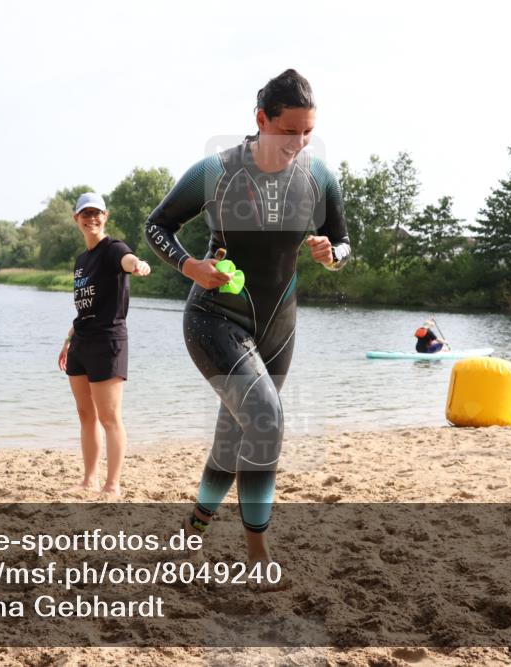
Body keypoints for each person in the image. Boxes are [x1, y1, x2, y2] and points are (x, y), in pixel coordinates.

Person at [144, 69, 350, 590]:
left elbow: (343, 243)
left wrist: (332, 255)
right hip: (214, 318)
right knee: (265, 418)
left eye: (307, 132)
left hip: (279, 327)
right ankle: (257, 555)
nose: (299, 143)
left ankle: (192, 530)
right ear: (261, 120)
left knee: (236, 433)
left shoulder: (318, 177)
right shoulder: (216, 172)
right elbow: (156, 226)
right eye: (289, 132)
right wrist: (191, 266)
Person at [58, 192, 151, 496]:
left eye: (97, 213)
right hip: (81, 342)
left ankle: (113, 485)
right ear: (76, 220)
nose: (92, 219)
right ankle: (88, 480)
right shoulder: (82, 260)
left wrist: (137, 264)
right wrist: (69, 339)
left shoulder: (113, 249)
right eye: (86, 214)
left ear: (105, 216)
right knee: (86, 415)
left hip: (108, 341)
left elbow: (127, 259)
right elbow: (85, 307)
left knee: (110, 418)